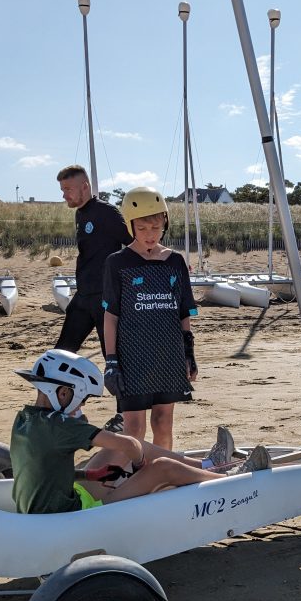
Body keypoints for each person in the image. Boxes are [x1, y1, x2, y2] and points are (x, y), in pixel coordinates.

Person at [10, 349, 270, 515]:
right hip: (72, 515)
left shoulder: (24, 419)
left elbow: (45, 468)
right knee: (163, 466)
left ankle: (211, 464)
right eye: (83, 400)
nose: (81, 407)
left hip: (57, 502)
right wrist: (140, 463)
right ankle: (234, 480)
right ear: (65, 392)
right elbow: (130, 448)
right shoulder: (62, 425)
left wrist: (91, 473)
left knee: (118, 446)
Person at [102, 186, 198, 449]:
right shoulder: (117, 262)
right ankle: (134, 477)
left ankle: (163, 471)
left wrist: (188, 352)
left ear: (164, 223)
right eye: (142, 229)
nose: (150, 235)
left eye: (155, 228)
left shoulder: (175, 262)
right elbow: (110, 316)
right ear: (131, 226)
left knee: (163, 421)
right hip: (132, 357)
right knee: (134, 426)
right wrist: (111, 361)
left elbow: (183, 311)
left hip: (168, 354)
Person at [53, 165, 130, 356]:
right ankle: (60, 386)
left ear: (85, 187)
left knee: (114, 357)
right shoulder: (80, 214)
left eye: (68, 189)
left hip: (106, 298)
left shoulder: (107, 212)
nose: (64, 195)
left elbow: (133, 244)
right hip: (84, 295)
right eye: (63, 190)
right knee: (62, 352)